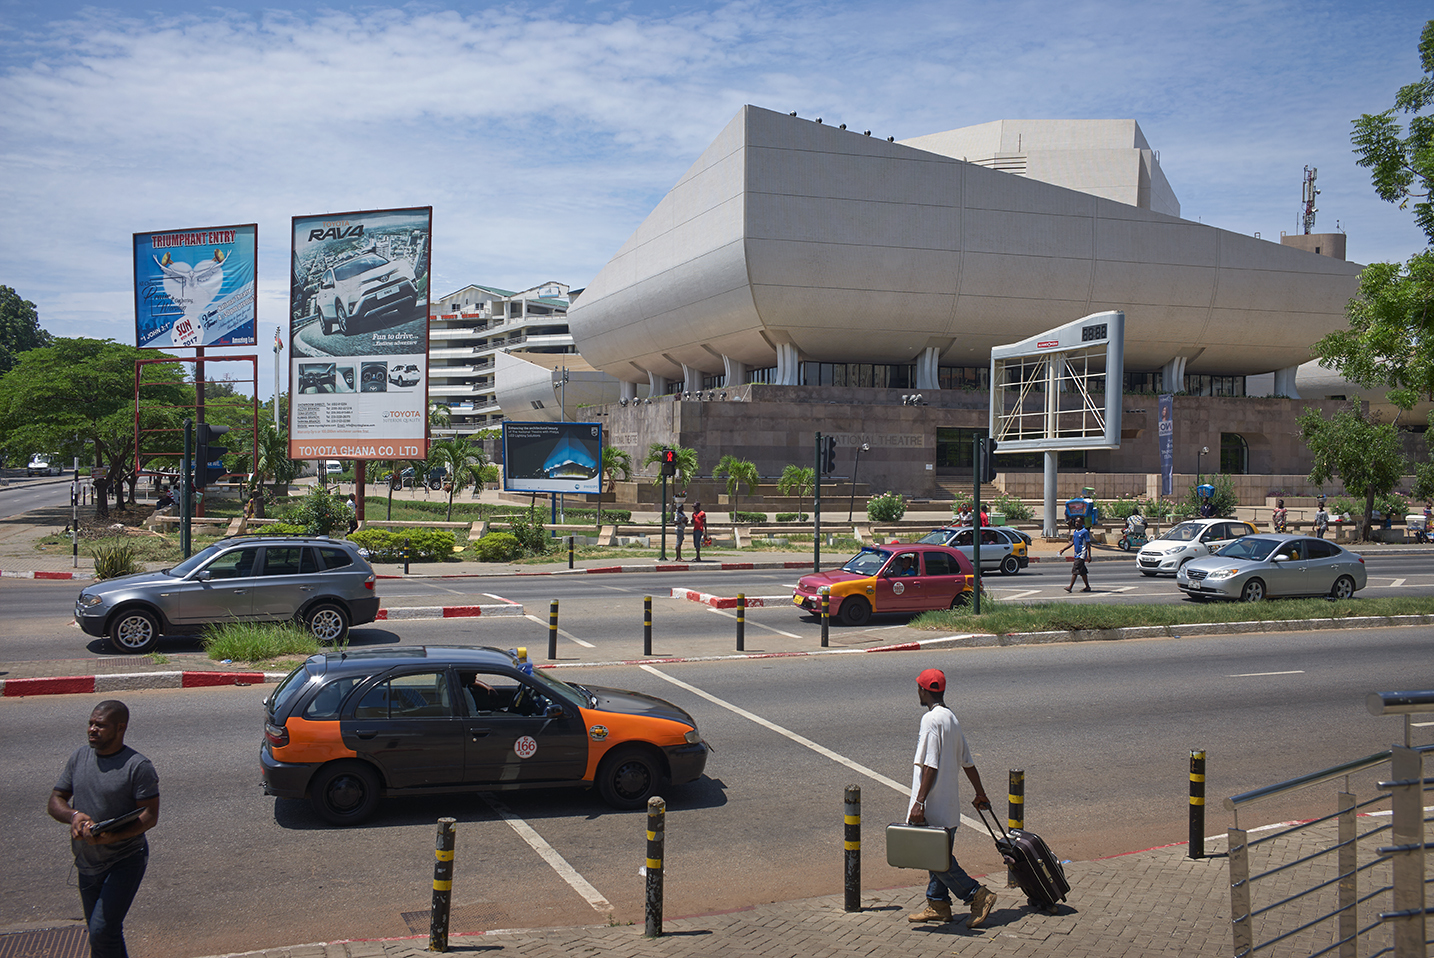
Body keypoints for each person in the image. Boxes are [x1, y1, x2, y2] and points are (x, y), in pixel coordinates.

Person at [48, 701, 160, 958]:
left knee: (101, 930)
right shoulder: (79, 757)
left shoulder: (138, 766)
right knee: (103, 934)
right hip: (87, 861)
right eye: (91, 723)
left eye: (100, 725)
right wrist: (73, 816)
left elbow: (150, 816)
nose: (92, 729)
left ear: (120, 728)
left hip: (124, 860)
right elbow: (56, 799)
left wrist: (112, 836)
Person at [904, 668, 997, 929]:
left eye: (918, 688)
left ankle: (977, 895)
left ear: (923, 690)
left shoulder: (931, 720)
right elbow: (968, 763)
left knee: (937, 861)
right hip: (950, 809)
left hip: (933, 808)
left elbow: (929, 765)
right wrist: (980, 793)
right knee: (938, 859)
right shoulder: (952, 719)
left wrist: (920, 802)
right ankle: (938, 904)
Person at [1060, 515, 1092, 592]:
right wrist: (1063, 549)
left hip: (1082, 554)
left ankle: (1070, 587)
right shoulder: (1075, 532)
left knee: (1075, 570)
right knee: (1082, 571)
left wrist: (1089, 555)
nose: (1077, 523)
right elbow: (1072, 542)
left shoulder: (1085, 532)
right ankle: (1087, 587)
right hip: (1076, 553)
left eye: (1079, 522)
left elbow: (1088, 544)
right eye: (1076, 522)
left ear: (1082, 523)